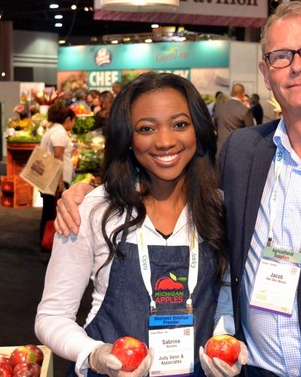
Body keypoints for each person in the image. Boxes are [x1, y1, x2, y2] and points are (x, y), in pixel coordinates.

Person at [55, 1, 301, 376]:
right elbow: (176, 179)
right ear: (266, 72)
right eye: (281, 56)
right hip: (252, 369)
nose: (297, 66)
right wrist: (88, 193)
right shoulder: (242, 153)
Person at [35, 72, 246, 377]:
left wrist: (224, 341)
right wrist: (94, 354)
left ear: (198, 130)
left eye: (179, 124)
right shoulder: (94, 210)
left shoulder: (219, 208)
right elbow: (52, 316)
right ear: (127, 138)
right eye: (146, 128)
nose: (165, 141)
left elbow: (224, 299)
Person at [38, 103, 76, 249]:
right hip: (55, 179)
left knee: (48, 211)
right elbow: (58, 156)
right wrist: (60, 181)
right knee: (53, 212)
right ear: (68, 119)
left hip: (48, 176)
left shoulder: (51, 130)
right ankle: (49, 243)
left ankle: (45, 240)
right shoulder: (59, 132)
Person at [213, 83, 254, 155]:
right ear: (243, 94)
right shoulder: (245, 110)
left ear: (231, 93)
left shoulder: (219, 108)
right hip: (237, 151)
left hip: (219, 149)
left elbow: (214, 127)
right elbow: (251, 133)